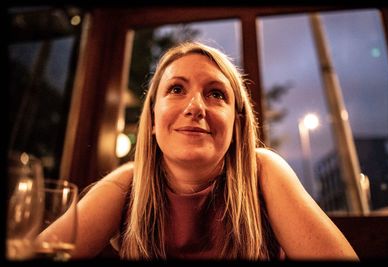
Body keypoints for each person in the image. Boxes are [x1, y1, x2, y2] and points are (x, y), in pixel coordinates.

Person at [46, 41, 359, 260]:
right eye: (177, 89)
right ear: (153, 119)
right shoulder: (128, 183)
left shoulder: (264, 171)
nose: (195, 107)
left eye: (215, 94)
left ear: (237, 126)